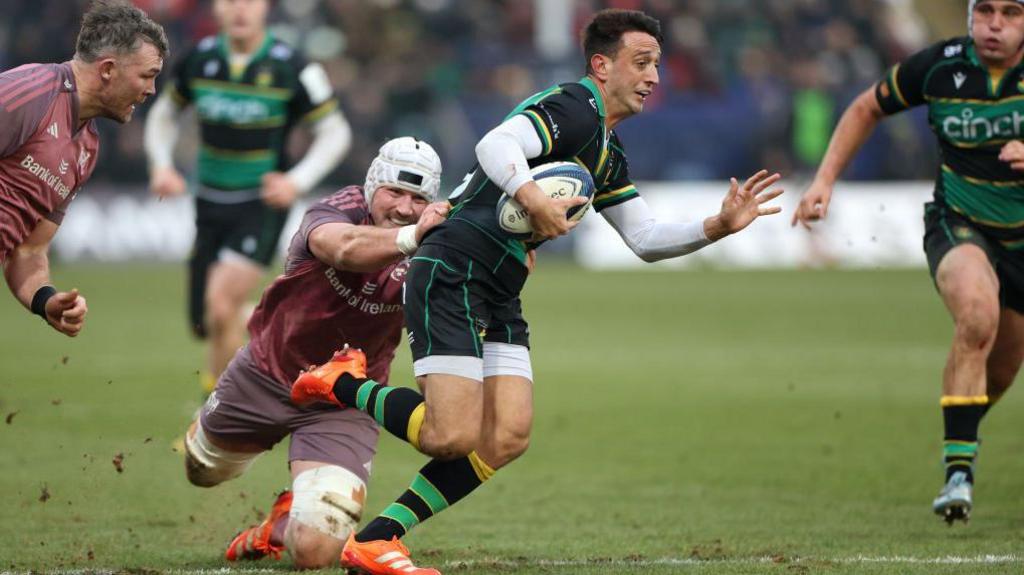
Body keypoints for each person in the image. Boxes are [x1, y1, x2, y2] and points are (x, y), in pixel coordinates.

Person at [291, 9, 784, 575]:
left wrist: (716, 227)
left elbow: (645, 239)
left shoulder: (606, 150)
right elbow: (495, 143)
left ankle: (378, 539)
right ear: (601, 65)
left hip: (499, 288)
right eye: (641, 63)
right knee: (449, 435)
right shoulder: (575, 105)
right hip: (452, 269)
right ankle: (339, 381)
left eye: (658, 65)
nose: (654, 77)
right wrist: (533, 196)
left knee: (507, 436)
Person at [792, 0, 1024, 524]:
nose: (994, 24)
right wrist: (825, 180)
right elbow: (865, 107)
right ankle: (958, 475)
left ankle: (960, 422)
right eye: (984, 10)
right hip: (959, 222)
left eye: (1010, 13)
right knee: (977, 316)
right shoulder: (940, 66)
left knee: (1005, 366)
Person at [181, 137, 447, 569]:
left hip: (344, 398)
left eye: (418, 198)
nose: (403, 206)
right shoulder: (335, 212)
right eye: (394, 192)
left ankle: (284, 523)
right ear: (371, 186)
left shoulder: (436, 242)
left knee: (315, 552)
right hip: (267, 373)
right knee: (202, 471)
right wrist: (413, 235)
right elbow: (342, 248)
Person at [144, 0, 352, 394]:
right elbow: (164, 114)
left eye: (250, 0)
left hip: (261, 205)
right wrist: (161, 165)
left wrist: (297, 180)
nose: (240, 9)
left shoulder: (293, 66)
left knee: (220, 305)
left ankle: (213, 416)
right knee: (206, 321)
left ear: (266, 8)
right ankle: (276, 323)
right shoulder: (197, 60)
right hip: (208, 202)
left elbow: (335, 131)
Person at [0, 0, 166, 336]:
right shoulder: (30, 93)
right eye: (147, 76)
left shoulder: (87, 149)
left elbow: (30, 249)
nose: (151, 90)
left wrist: (46, 300)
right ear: (107, 69)